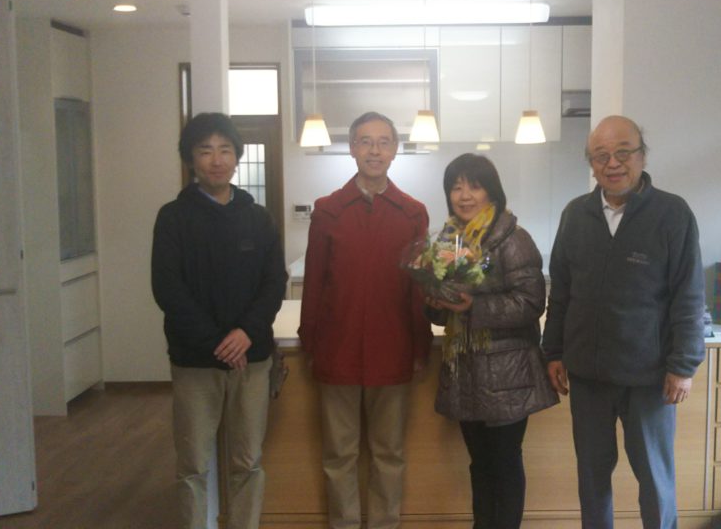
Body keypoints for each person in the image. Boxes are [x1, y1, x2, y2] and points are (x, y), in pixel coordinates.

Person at [542, 115, 706, 529]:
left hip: (649, 378)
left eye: (622, 153)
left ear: (642, 156)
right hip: (588, 376)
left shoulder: (672, 214)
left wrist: (683, 365)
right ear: (591, 164)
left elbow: (689, 293)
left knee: (654, 479)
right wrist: (554, 351)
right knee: (592, 480)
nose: (612, 163)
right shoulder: (575, 215)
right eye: (601, 156)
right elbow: (560, 291)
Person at [151, 112, 288, 529]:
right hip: (195, 361)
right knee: (193, 463)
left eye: (225, 150)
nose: (216, 160)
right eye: (205, 150)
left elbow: (274, 282)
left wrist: (246, 333)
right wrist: (218, 341)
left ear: (237, 156)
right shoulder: (173, 217)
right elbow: (168, 289)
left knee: (247, 460)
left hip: (252, 360)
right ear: (190, 159)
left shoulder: (258, 217)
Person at [298, 111, 433, 529]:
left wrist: (421, 348)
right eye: (365, 141)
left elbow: (418, 288)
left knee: (389, 453)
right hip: (336, 352)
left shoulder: (413, 213)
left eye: (383, 142)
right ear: (352, 148)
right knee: (339, 455)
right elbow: (314, 283)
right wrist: (309, 343)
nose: (374, 150)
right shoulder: (328, 211)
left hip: (393, 351)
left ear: (395, 150)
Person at [425, 154, 559, 529]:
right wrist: (434, 303)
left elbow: (531, 302)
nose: (465, 195)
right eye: (456, 187)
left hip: (506, 373)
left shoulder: (512, 238)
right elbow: (444, 312)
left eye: (474, 186)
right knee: (480, 464)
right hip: (466, 372)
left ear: (492, 192)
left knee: (504, 463)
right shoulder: (448, 239)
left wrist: (474, 307)